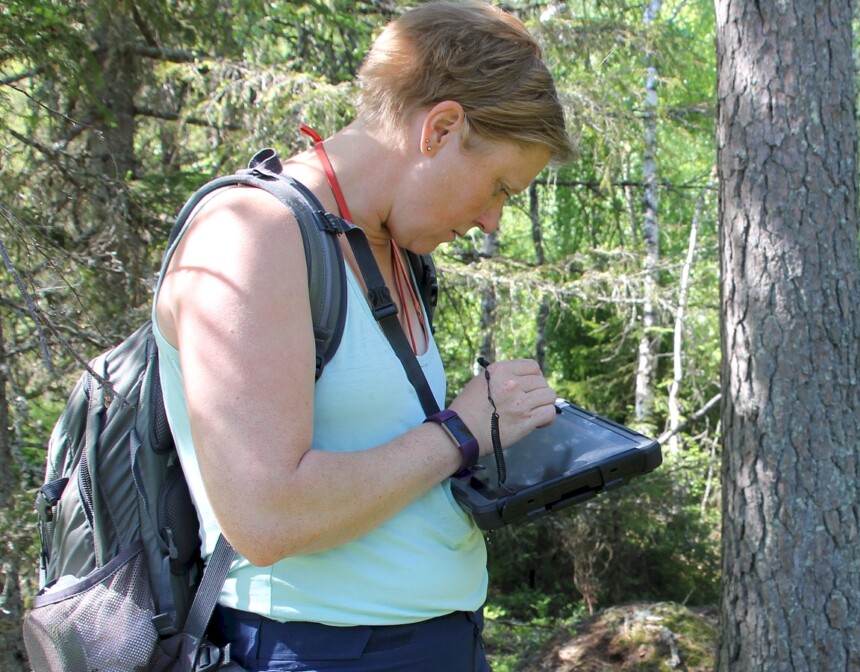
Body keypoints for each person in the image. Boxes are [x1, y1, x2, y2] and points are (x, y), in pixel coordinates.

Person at [151, 2, 578, 669]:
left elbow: (383, 459)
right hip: (317, 650)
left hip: (436, 641)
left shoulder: (389, 249)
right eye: (498, 186)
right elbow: (267, 516)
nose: (494, 221)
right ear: (440, 129)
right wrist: (460, 430)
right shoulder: (251, 234)